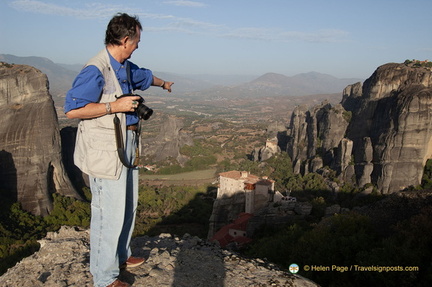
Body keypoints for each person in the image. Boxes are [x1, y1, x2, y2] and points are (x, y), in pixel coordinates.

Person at [64, 13, 174, 287]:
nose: (138, 45)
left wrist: (164, 84)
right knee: (108, 212)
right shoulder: (96, 69)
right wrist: (116, 106)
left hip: (127, 144)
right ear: (126, 39)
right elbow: (72, 110)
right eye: (137, 40)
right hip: (105, 150)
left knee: (127, 206)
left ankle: (121, 255)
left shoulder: (124, 66)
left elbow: (144, 76)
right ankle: (104, 278)